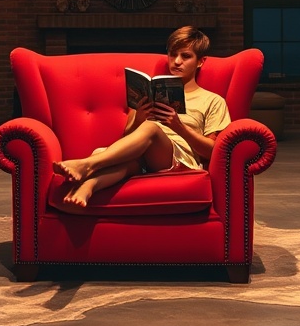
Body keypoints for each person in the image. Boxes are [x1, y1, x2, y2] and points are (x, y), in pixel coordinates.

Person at [52, 26, 231, 207]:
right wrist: (139, 117)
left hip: (180, 158)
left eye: (185, 56)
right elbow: (127, 136)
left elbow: (212, 150)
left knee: (151, 127)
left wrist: (179, 127)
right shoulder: (149, 92)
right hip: (144, 157)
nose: (177, 61)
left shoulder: (212, 100)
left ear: (200, 61)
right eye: (173, 54)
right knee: (110, 154)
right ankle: (86, 189)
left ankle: (86, 165)